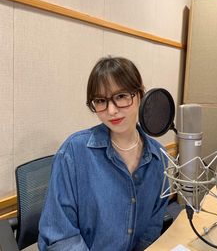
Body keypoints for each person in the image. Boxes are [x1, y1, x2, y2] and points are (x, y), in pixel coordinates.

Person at [38, 56, 169, 251]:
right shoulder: (74, 152)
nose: (111, 110)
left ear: (140, 94)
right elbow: (60, 236)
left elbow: (152, 228)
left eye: (121, 96)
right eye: (101, 100)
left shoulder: (159, 157)